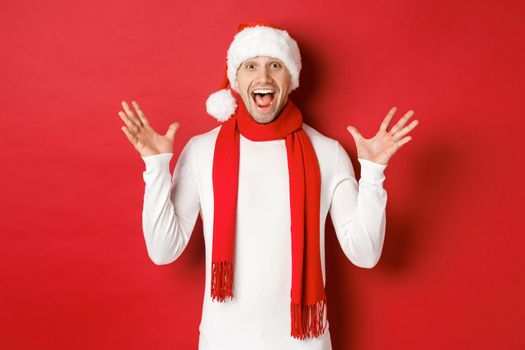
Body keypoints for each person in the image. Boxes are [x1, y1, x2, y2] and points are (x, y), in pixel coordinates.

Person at [118, 21, 419, 350]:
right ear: (236, 80)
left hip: (304, 344)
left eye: (275, 65)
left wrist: (373, 172)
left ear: (290, 78)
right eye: (251, 66)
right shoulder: (202, 150)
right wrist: (156, 167)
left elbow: (365, 254)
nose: (263, 78)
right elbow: (163, 251)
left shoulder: (327, 153)